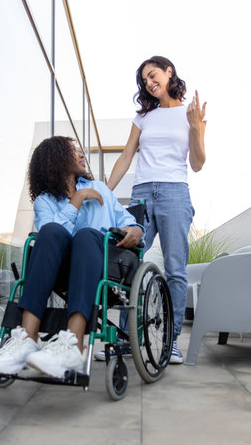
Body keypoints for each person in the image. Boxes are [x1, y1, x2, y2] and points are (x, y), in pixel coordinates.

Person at [0, 135, 144, 378]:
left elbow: (128, 223)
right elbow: (53, 238)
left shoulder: (101, 189)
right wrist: (77, 201)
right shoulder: (44, 202)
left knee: (86, 235)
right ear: (57, 158)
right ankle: (27, 338)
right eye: (74, 151)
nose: (81, 155)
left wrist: (136, 229)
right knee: (49, 231)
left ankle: (74, 344)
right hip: (60, 270)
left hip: (103, 265)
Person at [95, 56, 206, 364]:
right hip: (142, 193)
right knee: (126, 263)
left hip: (174, 193)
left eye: (152, 75)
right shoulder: (143, 116)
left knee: (175, 268)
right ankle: (129, 337)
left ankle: (169, 342)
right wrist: (104, 190)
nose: (148, 82)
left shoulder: (190, 113)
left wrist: (196, 126)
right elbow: (127, 155)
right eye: (144, 80)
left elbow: (197, 163)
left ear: (169, 72)